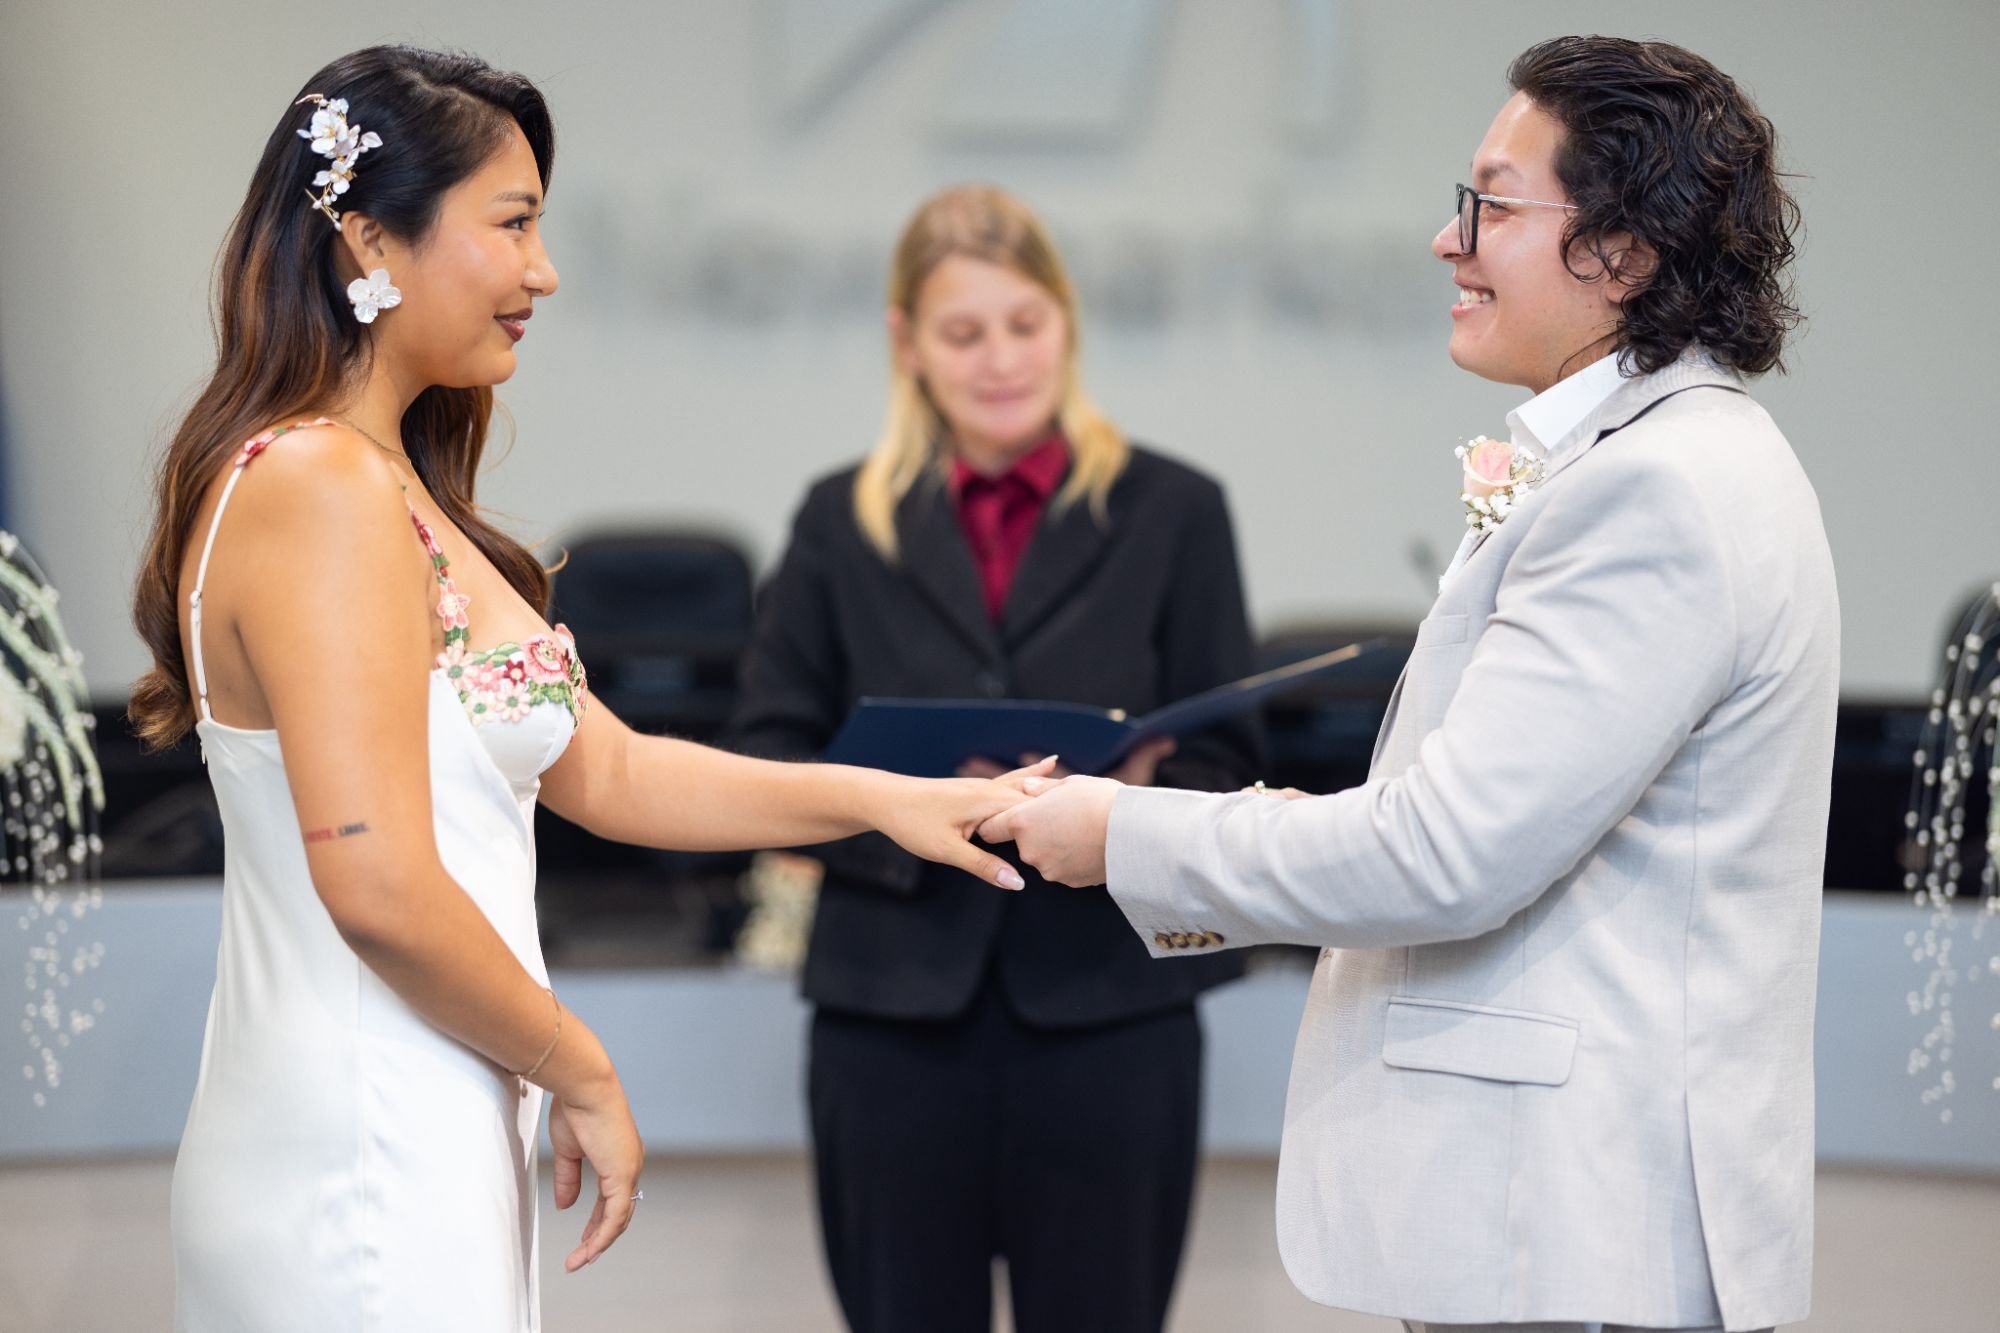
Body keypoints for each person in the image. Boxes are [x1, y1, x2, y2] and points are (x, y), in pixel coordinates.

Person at [128, 48, 1038, 1332]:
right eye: (512, 225)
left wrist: (881, 798)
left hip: (425, 1111)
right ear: (369, 238)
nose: (543, 271)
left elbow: (610, 770)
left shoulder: (381, 481)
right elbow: (375, 882)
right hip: (357, 1141)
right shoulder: (316, 486)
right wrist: (579, 1062)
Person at [985, 36, 1836, 1333]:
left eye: (1490, 204)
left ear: (1622, 251)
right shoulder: (1666, 458)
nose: (1449, 241)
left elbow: (1447, 855)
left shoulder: (1652, 490)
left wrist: (1125, 835)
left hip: (1577, 1234)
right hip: (1565, 1230)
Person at [727, 183, 1262, 1333]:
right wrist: (910, 810)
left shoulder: (1175, 511)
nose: (1000, 359)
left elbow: (1228, 758)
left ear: (1065, 322)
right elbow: (767, 754)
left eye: (1024, 324)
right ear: (906, 343)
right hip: (890, 1012)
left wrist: (1131, 802)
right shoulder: (836, 520)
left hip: (1112, 1009)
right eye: (963, 333)